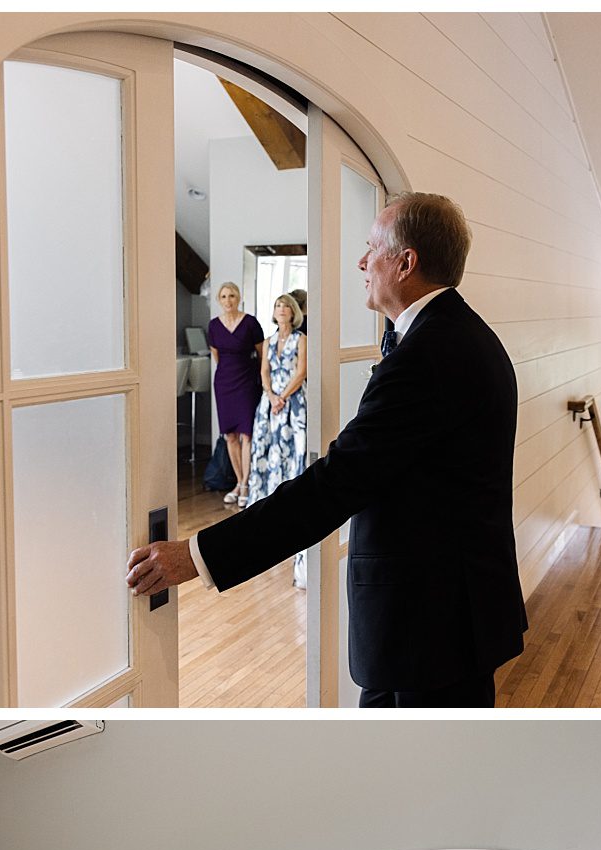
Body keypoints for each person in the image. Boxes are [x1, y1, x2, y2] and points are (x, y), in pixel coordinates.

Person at [127, 192, 529, 708]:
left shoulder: (431, 353)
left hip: (429, 629)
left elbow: (336, 485)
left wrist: (198, 555)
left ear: (406, 262)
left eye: (371, 248)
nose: (361, 262)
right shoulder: (456, 334)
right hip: (446, 615)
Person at [208, 281, 266, 506]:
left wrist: (261, 380)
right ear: (219, 301)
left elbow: (262, 355)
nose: (228, 300)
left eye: (232, 296)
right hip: (224, 383)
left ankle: (246, 483)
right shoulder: (213, 326)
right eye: (223, 297)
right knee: (230, 435)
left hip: (247, 381)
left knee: (247, 435)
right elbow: (217, 356)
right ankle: (240, 483)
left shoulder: (250, 322)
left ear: (239, 298)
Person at [248, 293, 308, 509]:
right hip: (269, 402)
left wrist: (282, 398)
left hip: (293, 400)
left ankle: (293, 501)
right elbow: (264, 371)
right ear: (274, 313)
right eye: (277, 305)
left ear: (293, 312)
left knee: (294, 448)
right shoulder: (268, 341)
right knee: (266, 445)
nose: (281, 309)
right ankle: (265, 500)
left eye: (286, 306)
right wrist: (272, 397)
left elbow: (301, 373)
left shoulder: (301, 339)